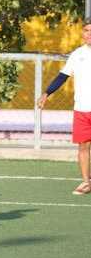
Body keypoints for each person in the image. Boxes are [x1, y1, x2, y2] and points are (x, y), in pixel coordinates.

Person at [38, 21, 91, 195]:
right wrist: (46, 93)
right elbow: (63, 76)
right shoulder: (77, 54)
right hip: (81, 109)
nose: (89, 34)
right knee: (83, 146)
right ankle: (86, 182)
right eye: (86, 30)